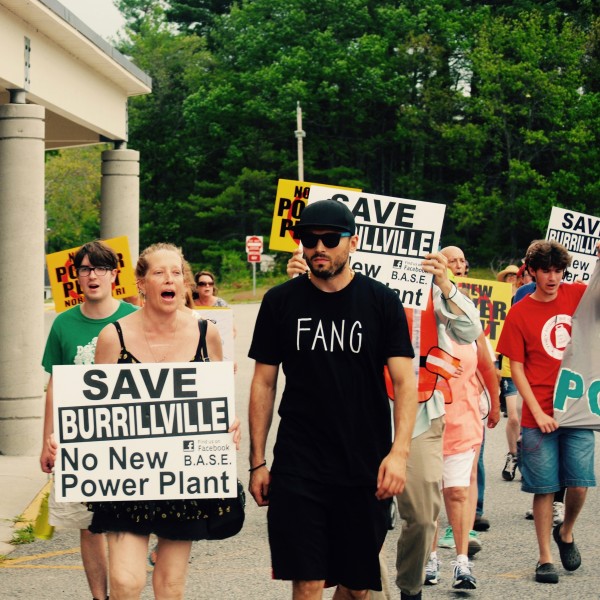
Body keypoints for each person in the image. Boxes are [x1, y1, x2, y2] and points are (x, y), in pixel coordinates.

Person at [286, 241, 483, 599]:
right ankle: (370, 590)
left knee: (423, 518)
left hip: (420, 414)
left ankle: (411, 588)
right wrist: (301, 282)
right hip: (358, 416)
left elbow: (470, 331)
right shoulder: (349, 288)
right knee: (361, 519)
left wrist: (446, 284)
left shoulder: (430, 291)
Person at [248, 199, 418, 599]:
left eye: (329, 238)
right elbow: (263, 384)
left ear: (353, 242)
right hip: (299, 463)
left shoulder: (381, 301)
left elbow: (404, 383)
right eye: (309, 238)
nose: (318, 247)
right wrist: (257, 461)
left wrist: (399, 454)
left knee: (356, 586)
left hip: (364, 465)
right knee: (306, 582)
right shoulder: (280, 302)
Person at [86, 243, 239, 599]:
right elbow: (92, 411)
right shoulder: (114, 337)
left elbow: (218, 399)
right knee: (126, 581)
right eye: (159, 272)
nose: (169, 278)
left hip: (182, 477)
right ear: (141, 282)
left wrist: (231, 423)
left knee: (170, 585)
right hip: (127, 476)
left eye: (176, 272)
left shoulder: (207, 334)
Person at [40, 240, 138, 600]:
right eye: (84, 269)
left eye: (100, 268)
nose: (92, 275)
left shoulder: (133, 317)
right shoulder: (63, 324)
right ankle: (100, 596)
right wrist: (46, 440)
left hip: (127, 440)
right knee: (89, 525)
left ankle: (126, 589)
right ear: (76, 277)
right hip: (80, 440)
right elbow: (55, 385)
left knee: (125, 523)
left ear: (114, 274)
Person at [497, 239, 592, 584]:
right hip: (538, 413)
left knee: (580, 485)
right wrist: (536, 412)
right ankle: (544, 558)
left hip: (577, 407)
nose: (553, 278)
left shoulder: (575, 294)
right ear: (532, 271)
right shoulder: (520, 313)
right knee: (545, 488)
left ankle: (565, 532)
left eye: (558, 270)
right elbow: (516, 368)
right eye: (546, 271)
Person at [432, 246, 500, 591]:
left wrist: (497, 401)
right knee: (428, 495)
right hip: (425, 420)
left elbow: (485, 360)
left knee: (458, 490)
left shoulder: (464, 311)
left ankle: (461, 562)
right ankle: (429, 559)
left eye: (453, 264)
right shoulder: (413, 315)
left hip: (464, 417)